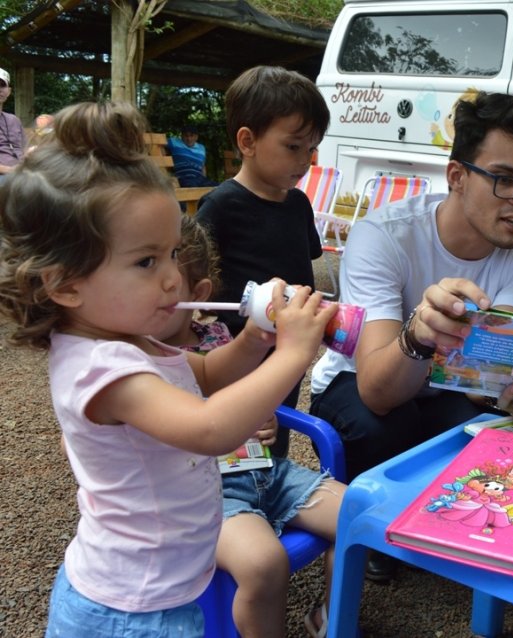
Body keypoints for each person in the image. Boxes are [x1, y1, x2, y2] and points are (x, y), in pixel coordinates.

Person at [0, 101, 335, 637]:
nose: (173, 279)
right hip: (131, 610)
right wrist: (294, 354)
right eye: (145, 261)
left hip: (161, 591)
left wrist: (254, 340)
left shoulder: (129, 340)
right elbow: (207, 429)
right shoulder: (101, 368)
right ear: (64, 284)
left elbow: (199, 377)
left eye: (173, 254)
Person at [308, 92, 513, 581]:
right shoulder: (384, 236)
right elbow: (376, 390)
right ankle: (379, 534)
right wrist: (419, 334)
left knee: (494, 439)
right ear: (457, 176)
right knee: (386, 428)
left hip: (450, 392)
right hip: (360, 384)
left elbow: (493, 380)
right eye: (505, 181)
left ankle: (439, 526)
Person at [156, 215, 343, 638]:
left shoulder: (217, 334)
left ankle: (332, 617)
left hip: (265, 472)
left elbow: (245, 395)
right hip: (208, 493)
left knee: (360, 515)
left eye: (163, 277)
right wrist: (288, 354)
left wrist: (268, 419)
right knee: (264, 564)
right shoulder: (139, 362)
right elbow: (197, 425)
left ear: (198, 293)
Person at [197, 65, 328, 457]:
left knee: (280, 421)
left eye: (312, 148)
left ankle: (274, 488)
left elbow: (305, 264)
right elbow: (196, 276)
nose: (305, 160)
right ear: (248, 141)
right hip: (238, 348)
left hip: (289, 344)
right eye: (293, 146)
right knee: (242, 438)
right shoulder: (221, 205)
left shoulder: (299, 204)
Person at [0, 67, 25, 178]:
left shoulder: (13, 120)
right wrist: (10, 170)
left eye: (2, 85)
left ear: (9, 91)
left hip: (23, 173)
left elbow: (25, 148)